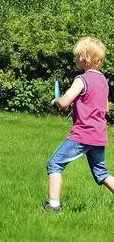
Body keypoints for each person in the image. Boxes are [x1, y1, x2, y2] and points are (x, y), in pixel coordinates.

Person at [44, 36, 114, 213]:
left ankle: (53, 206)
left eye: (76, 56)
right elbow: (105, 108)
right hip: (99, 135)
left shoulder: (81, 79)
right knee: (102, 173)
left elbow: (65, 101)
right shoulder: (103, 81)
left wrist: (56, 101)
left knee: (54, 164)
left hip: (83, 134)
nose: (75, 59)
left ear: (84, 57)